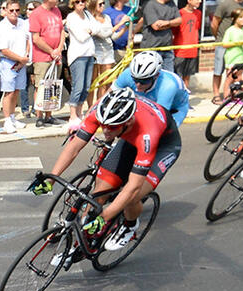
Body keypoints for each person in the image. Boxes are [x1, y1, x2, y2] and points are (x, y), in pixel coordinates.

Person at [31, 83, 179, 252]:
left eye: (112, 127)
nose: (106, 131)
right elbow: (74, 147)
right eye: (103, 125)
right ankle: (83, 241)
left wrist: (104, 217)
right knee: (99, 192)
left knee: (132, 197)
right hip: (129, 138)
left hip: (163, 146)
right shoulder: (100, 110)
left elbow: (132, 187)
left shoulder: (148, 134)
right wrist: (51, 178)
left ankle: (129, 226)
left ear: (128, 122)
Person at [63, 0, 107, 112]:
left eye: (83, 1)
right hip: (78, 55)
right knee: (78, 86)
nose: (81, 3)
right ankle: (73, 115)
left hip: (89, 54)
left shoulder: (87, 14)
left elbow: (98, 28)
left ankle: (79, 112)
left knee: (86, 87)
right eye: (78, 1)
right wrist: (89, 31)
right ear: (73, 3)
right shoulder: (71, 17)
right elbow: (80, 37)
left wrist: (89, 30)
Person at [27, 0, 64, 124]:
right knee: (41, 85)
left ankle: (49, 115)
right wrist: (51, 51)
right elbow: (36, 38)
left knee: (52, 85)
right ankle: (39, 116)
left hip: (56, 56)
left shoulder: (57, 11)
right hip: (42, 57)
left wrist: (59, 49)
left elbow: (61, 31)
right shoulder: (36, 14)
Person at [0, 0, 30, 131]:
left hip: (21, 63)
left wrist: (25, 56)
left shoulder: (23, 23)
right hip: (8, 63)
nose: (15, 13)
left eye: (17, 10)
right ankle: (7, 120)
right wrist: (20, 59)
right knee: (8, 92)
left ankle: (13, 117)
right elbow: (4, 50)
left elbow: (28, 40)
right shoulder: (2, 27)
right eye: (11, 10)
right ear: (6, 11)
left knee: (16, 91)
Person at [210, 0, 243, 86]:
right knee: (218, 70)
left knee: (236, 71)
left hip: (239, 45)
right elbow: (214, 23)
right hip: (223, 42)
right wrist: (218, 37)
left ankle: (232, 94)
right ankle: (216, 95)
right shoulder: (225, 4)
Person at [174, 0, 203, 83]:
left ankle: (185, 95)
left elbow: (196, 28)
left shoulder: (198, 13)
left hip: (193, 49)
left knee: (187, 76)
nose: (200, 1)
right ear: (189, 0)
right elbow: (175, 31)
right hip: (180, 50)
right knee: (178, 75)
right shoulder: (180, 13)